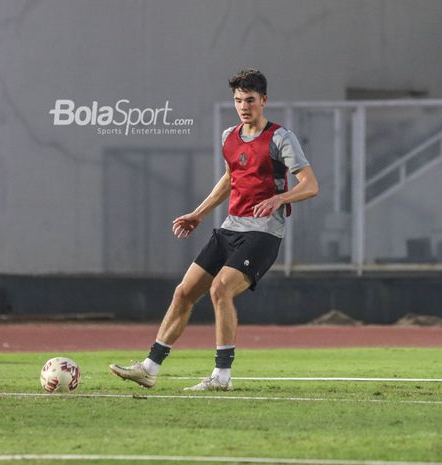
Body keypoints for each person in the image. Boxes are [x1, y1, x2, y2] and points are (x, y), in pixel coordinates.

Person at [110, 69, 319, 391]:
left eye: (250, 100)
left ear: (264, 101)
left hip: (263, 233)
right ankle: (149, 368)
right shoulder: (228, 137)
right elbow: (231, 179)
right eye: (238, 100)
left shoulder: (280, 138)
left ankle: (222, 376)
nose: (244, 106)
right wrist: (199, 213)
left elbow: (310, 185)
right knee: (183, 292)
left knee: (220, 289)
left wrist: (280, 198)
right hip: (230, 228)